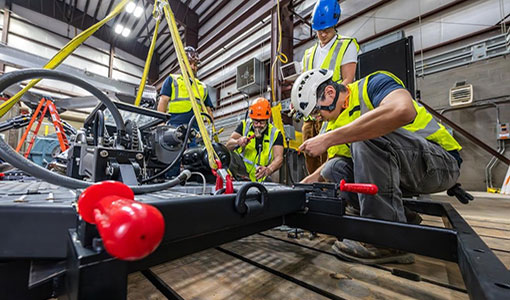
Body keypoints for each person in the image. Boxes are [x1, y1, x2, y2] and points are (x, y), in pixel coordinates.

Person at [291, 69, 462, 264]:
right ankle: (399, 216)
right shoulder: (332, 123)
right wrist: (299, 189)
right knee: (334, 168)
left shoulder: (373, 84)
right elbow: (327, 169)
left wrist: (329, 138)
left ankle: (386, 239)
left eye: (316, 111)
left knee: (365, 136)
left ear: (330, 93)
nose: (317, 119)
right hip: (404, 170)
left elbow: (403, 110)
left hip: (439, 163)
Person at [300, 0, 359, 176]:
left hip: (332, 113)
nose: (323, 34)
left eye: (327, 29)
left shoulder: (346, 45)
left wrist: (328, 103)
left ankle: (332, 195)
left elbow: (348, 79)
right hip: (311, 114)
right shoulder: (308, 54)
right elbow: (304, 81)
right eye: (319, 30)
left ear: (335, 23)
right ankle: (315, 191)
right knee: (309, 152)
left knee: (329, 157)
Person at [157, 46, 214, 177]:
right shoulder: (173, 80)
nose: (194, 67)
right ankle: (170, 183)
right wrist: (161, 124)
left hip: (196, 130)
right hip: (174, 127)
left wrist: (210, 129)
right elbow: (163, 101)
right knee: (173, 160)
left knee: (196, 159)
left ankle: (196, 183)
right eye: (191, 63)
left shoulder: (202, 87)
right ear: (182, 63)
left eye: (195, 65)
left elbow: (209, 110)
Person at [226, 98, 284, 182]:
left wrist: (268, 170)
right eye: (256, 122)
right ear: (251, 118)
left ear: (267, 119)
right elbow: (228, 145)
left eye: (262, 122)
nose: (258, 125)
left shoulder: (276, 134)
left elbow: (279, 158)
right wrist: (237, 142)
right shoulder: (244, 125)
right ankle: (231, 181)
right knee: (229, 155)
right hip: (242, 171)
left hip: (261, 174)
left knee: (269, 184)